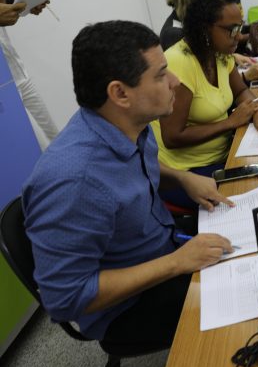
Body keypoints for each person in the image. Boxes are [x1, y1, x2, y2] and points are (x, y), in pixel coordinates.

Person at [22, 20, 234, 348]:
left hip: (162, 246)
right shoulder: (72, 182)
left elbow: (133, 171)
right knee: (246, 308)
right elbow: (65, 298)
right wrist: (177, 262)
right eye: (162, 74)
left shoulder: (128, 123)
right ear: (120, 93)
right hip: (128, 308)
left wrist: (180, 176)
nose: (175, 81)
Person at [153, 0, 258, 208]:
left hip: (225, 152)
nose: (239, 36)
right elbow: (172, 136)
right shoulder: (180, 62)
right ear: (205, 28)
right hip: (189, 172)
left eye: (240, 27)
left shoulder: (219, 53)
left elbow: (240, 92)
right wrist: (229, 123)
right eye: (232, 30)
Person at [163, 0, 258, 82]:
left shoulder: (192, 23)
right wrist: (244, 77)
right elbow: (203, 80)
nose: (211, 0)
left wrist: (233, 56)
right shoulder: (175, 35)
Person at [0, 0, 59, 147]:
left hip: (19, 75)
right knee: (37, 147)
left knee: (56, 138)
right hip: (4, 89)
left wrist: (17, 1)